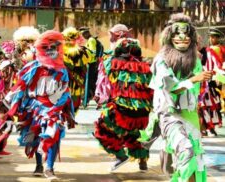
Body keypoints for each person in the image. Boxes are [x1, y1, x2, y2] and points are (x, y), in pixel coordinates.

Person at [139, 13, 209, 181]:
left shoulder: (196, 61)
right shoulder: (161, 60)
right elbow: (171, 88)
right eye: (177, 33)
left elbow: (194, 94)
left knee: (196, 161)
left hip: (190, 117)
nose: (182, 37)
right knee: (186, 151)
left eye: (186, 34)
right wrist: (194, 79)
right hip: (169, 115)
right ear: (170, 36)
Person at [5, 30, 75, 180]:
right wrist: (14, 108)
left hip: (53, 109)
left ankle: (49, 168)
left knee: (53, 135)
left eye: (53, 48)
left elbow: (65, 92)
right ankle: (39, 165)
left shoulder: (62, 70)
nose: (50, 51)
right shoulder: (31, 68)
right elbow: (20, 88)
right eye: (46, 48)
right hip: (35, 107)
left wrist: (57, 108)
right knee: (36, 137)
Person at [94, 35, 153, 171]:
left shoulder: (112, 63)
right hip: (142, 113)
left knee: (103, 129)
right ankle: (143, 162)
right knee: (134, 134)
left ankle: (121, 156)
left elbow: (106, 83)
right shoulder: (146, 67)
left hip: (121, 110)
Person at [198, 28, 224, 136]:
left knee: (215, 105)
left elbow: (221, 65)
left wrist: (220, 76)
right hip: (205, 81)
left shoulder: (222, 50)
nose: (211, 39)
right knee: (204, 105)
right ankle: (206, 127)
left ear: (218, 38)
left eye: (214, 37)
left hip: (217, 80)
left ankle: (212, 126)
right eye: (210, 37)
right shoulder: (205, 50)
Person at [62, 27, 93, 112]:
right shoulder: (83, 51)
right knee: (74, 102)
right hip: (77, 82)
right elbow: (90, 59)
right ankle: (71, 115)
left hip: (63, 81)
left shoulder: (60, 51)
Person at [79, 27, 104, 107]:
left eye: (83, 34)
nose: (83, 36)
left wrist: (84, 52)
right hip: (91, 64)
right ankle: (94, 99)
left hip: (91, 64)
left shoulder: (91, 40)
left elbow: (92, 52)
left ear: (87, 33)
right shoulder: (91, 40)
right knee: (92, 82)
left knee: (89, 82)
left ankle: (86, 100)